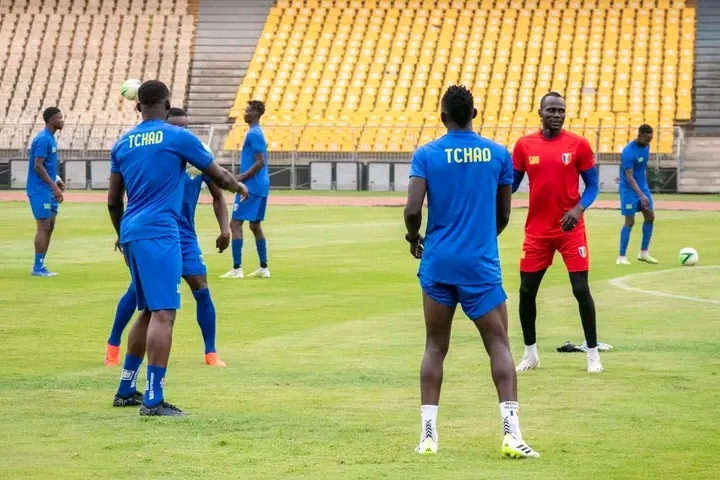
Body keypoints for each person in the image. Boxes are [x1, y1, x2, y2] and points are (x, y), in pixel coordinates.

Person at [405, 85, 539, 458]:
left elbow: (413, 209)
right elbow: (504, 214)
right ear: (475, 115)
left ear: (443, 115)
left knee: (435, 346)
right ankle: (512, 435)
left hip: (439, 263)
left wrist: (414, 237)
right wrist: (481, 237)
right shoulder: (498, 155)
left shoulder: (427, 154)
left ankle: (428, 437)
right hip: (480, 265)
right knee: (498, 345)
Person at [107, 81, 247, 416]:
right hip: (161, 232)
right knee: (165, 313)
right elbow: (219, 175)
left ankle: (127, 388)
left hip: (132, 232)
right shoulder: (177, 136)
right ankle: (154, 399)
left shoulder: (123, 142)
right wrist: (240, 186)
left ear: (138, 105)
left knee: (147, 310)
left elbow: (113, 201)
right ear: (167, 104)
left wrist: (123, 236)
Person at [105, 108, 231, 368]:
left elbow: (218, 195)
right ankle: (113, 346)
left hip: (184, 235)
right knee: (138, 296)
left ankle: (211, 352)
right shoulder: (155, 157)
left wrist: (225, 228)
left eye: (185, 126)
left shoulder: (196, 158)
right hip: (155, 234)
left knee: (202, 289)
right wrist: (124, 232)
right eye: (176, 126)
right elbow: (128, 197)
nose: (181, 131)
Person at [511, 92, 602, 374]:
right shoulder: (524, 146)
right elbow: (511, 186)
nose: (557, 115)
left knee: (580, 289)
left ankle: (593, 354)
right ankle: (530, 354)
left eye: (561, 111)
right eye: (551, 110)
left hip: (570, 229)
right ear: (539, 112)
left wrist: (578, 209)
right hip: (537, 231)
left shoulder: (579, 145)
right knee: (526, 292)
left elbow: (593, 186)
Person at [221, 100, 270, 279]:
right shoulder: (257, 132)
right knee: (255, 225)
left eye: (248, 110)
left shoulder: (253, 134)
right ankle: (263, 267)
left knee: (235, 224)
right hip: (261, 184)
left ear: (256, 114)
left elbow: (260, 161)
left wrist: (240, 178)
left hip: (251, 186)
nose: (245, 113)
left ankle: (237, 268)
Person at [27, 107, 65, 276]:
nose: (62, 120)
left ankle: (41, 265)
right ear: (51, 120)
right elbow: (37, 165)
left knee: (50, 226)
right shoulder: (43, 139)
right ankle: (37, 267)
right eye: (60, 117)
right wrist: (54, 187)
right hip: (39, 188)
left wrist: (56, 179)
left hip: (48, 187)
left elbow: (47, 165)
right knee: (43, 226)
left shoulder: (50, 138)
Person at [617, 124, 657, 265]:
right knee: (630, 221)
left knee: (650, 216)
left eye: (650, 141)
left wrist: (643, 190)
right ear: (639, 135)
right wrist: (641, 195)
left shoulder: (646, 146)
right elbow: (629, 176)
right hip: (628, 189)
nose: (648, 143)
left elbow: (640, 169)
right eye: (646, 140)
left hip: (642, 187)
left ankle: (643, 252)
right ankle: (621, 257)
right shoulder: (628, 152)